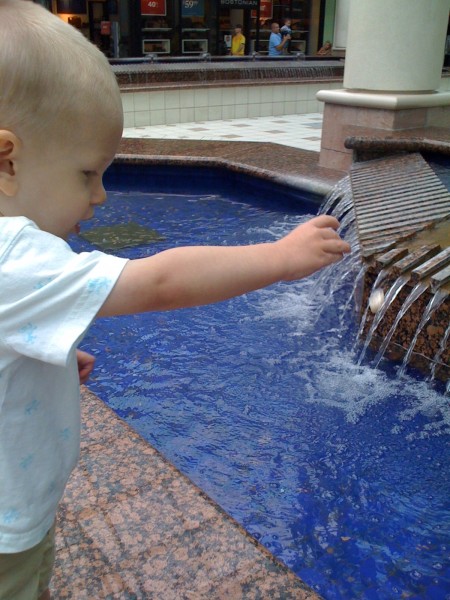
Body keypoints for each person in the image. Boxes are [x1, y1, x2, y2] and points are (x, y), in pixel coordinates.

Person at [0, 1, 351, 599]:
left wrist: (40, 359)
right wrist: (280, 257)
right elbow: (157, 281)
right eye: (88, 174)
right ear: (5, 157)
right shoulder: (12, 255)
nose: (102, 197)